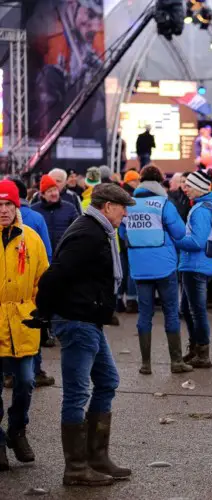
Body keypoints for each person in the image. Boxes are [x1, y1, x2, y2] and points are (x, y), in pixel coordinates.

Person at [36, 183, 135, 486]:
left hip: (88, 319)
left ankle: (97, 457)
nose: (126, 213)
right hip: (77, 320)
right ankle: (76, 467)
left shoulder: (98, 230)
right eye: (123, 207)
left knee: (107, 381)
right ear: (107, 207)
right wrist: (44, 315)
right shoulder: (88, 233)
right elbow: (54, 275)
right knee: (77, 394)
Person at [122, 166, 193, 375]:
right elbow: (180, 233)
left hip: (139, 268)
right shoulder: (164, 204)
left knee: (144, 314)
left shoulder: (130, 205)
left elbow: (123, 231)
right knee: (171, 312)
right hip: (165, 266)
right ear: (160, 182)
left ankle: (146, 364)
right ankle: (176, 362)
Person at [0, 180, 48, 472]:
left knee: (27, 381)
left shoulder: (30, 239)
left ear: (17, 207)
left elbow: (44, 277)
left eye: (8, 205)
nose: (3, 210)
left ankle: (18, 430)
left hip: (23, 321)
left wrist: (44, 310)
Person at [175, 171, 212, 369]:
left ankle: (202, 353)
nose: (184, 189)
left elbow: (196, 241)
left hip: (195, 264)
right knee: (188, 309)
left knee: (196, 311)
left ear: (199, 188)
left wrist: (173, 239)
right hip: (204, 264)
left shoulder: (202, 210)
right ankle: (196, 348)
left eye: (188, 185)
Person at [31, 174, 79, 255]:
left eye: (55, 190)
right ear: (42, 194)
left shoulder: (70, 208)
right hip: (42, 256)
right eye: (49, 191)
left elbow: (78, 230)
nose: (54, 193)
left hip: (65, 255)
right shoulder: (34, 210)